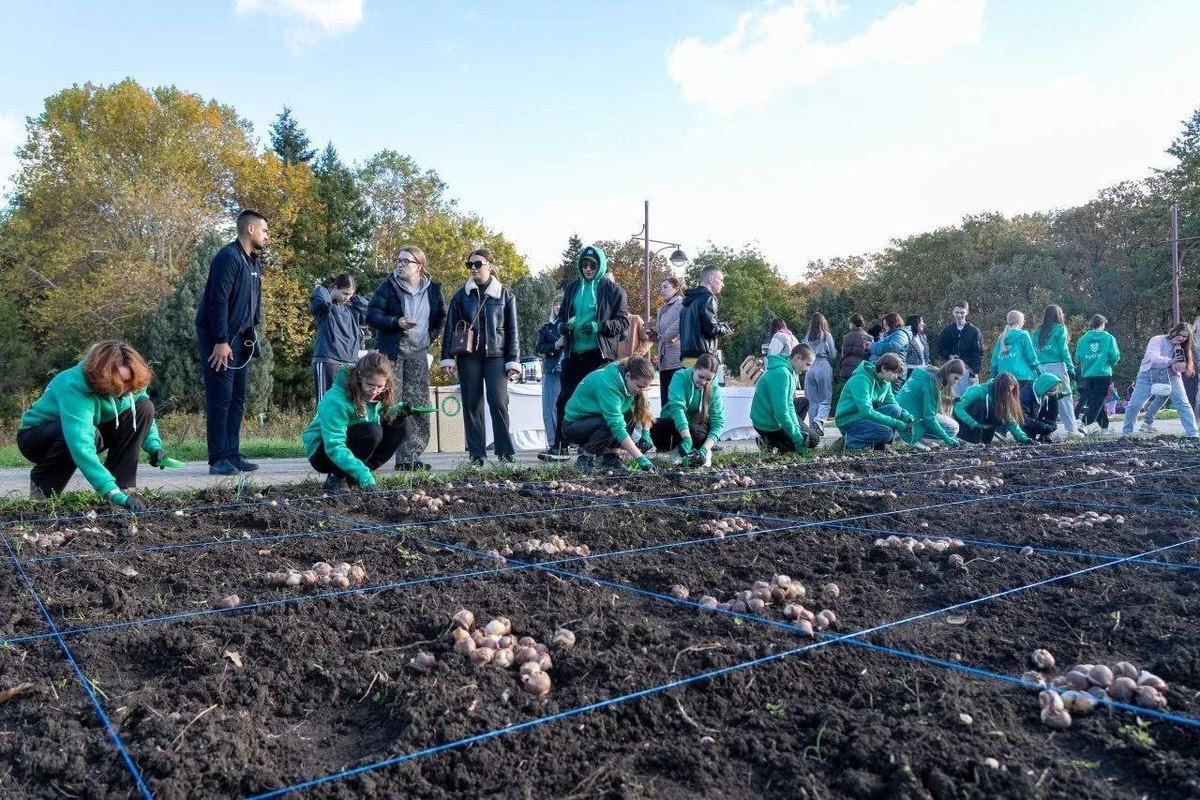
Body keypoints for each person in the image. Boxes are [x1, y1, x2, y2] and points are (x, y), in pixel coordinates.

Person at [17, 341, 184, 510]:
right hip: (37, 437)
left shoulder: (132, 383)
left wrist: (155, 447)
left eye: (130, 382)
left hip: (87, 430)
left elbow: (139, 414)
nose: (127, 389)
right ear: (105, 377)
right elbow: (81, 444)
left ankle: (122, 485)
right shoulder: (75, 387)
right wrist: (109, 491)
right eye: (121, 383)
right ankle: (43, 488)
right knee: (80, 434)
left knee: (144, 406)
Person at [195, 209, 268, 476]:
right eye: (264, 230)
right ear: (250, 230)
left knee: (237, 398)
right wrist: (221, 340)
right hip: (221, 340)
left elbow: (251, 305)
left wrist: (250, 336)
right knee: (220, 398)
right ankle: (218, 458)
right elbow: (219, 301)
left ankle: (233, 453)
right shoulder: (228, 257)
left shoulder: (253, 262)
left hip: (242, 341)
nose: (266, 236)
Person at [543, 245, 629, 461]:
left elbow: (623, 322)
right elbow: (562, 316)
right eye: (584, 265)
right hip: (573, 354)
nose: (588, 269)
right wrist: (564, 326)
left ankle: (603, 450)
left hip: (599, 356)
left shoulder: (613, 290)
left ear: (601, 266)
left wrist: (599, 326)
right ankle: (560, 446)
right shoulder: (572, 288)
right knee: (564, 400)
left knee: (600, 402)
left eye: (593, 265)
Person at [303, 353, 433, 491]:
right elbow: (334, 445)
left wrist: (398, 411)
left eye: (380, 386)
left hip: (351, 441)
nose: (375, 391)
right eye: (370, 385)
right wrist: (363, 475)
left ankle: (355, 476)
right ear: (359, 378)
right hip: (323, 452)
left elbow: (374, 414)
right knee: (371, 432)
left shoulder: (378, 393)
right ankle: (338, 476)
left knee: (400, 424)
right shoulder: (336, 401)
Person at [367, 245, 446, 471]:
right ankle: (376, 455)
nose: (400, 265)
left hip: (418, 355)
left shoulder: (433, 290)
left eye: (405, 262)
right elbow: (372, 315)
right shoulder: (388, 287)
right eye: (398, 261)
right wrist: (396, 322)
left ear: (419, 266)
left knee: (418, 405)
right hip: (391, 354)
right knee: (390, 404)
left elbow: (440, 317)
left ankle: (409, 458)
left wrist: (429, 338)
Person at [440, 249, 521, 466]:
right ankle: (477, 455)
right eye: (470, 265)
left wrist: (513, 360)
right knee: (471, 404)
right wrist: (447, 358)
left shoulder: (505, 295)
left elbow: (512, 331)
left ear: (489, 266)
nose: (473, 268)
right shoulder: (460, 296)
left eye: (478, 264)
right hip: (469, 357)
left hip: (497, 356)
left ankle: (505, 453)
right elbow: (450, 329)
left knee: (498, 402)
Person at [561, 356, 656, 472]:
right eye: (640, 387)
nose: (642, 390)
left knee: (630, 412)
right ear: (628, 376)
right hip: (573, 426)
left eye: (645, 388)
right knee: (610, 422)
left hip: (595, 419)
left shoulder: (632, 382)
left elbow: (644, 410)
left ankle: (611, 458)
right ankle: (585, 459)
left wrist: (645, 432)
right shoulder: (608, 384)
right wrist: (641, 458)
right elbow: (616, 426)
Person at [1120, 323, 1199, 438]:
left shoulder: (1181, 347)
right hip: (1148, 374)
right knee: (1135, 404)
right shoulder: (1157, 340)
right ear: (1173, 331)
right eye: (1180, 334)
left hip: (1171, 376)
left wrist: (1178, 349)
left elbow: (1179, 369)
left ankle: (1193, 434)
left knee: (1183, 403)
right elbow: (1153, 357)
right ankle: (1127, 433)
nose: (1181, 338)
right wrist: (1170, 361)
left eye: (1185, 337)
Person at [649, 353, 724, 466]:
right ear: (694, 368)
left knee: (697, 432)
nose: (703, 382)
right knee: (655, 426)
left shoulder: (714, 387)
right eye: (701, 377)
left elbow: (718, 422)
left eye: (708, 379)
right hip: (675, 424)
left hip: (695, 428)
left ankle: (700, 453)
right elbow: (677, 409)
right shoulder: (680, 377)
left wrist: (703, 450)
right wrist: (687, 438)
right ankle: (676, 450)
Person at [833, 353, 913, 452]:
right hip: (849, 420)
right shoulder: (861, 380)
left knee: (895, 410)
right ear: (883, 368)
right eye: (894, 372)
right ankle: (848, 441)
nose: (896, 377)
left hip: (862, 417)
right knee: (886, 432)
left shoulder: (885, 382)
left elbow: (892, 403)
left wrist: (905, 415)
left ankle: (881, 446)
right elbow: (866, 411)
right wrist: (896, 423)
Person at [311, 273, 368, 403]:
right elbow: (320, 301)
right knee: (325, 404)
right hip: (328, 361)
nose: (347, 297)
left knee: (348, 404)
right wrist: (322, 290)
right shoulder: (325, 308)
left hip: (350, 362)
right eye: (344, 293)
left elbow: (370, 310)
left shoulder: (352, 309)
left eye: (350, 294)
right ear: (335, 287)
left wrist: (355, 298)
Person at [751, 344, 817, 454]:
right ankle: (769, 441)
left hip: (772, 416)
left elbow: (789, 404)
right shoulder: (782, 373)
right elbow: (781, 411)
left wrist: (796, 429)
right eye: (807, 364)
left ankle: (775, 441)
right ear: (798, 358)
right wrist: (797, 437)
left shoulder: (790, 371)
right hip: (766, 424)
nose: (807, 369)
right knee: (813, 440)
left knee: (803, 402)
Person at [895, 359, 965, 449]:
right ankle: (914, 440)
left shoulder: (926, 373)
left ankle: (909, 437)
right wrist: (948, 439)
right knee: (953, 427)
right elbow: (929, 418)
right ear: (948, 372)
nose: (956, 382)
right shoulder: (932, 384)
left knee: (939, 418)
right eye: (955, 378)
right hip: (909, 420)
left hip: (898, 414)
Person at [1034, 304, 1081, 437]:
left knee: (1041, 399)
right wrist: (1071, 367)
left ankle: (1038, 427)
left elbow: (1033, 351)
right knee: (1065, 396)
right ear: (1059, 315)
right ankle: (1072, 429)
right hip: (1057, 366)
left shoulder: (1037, 332)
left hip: (1041, 368)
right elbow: (1063, 350)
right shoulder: (1060, 329)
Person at [954, 372, 1032, 445]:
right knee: (979, 404)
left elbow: (1011, 422)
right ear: (1001, 387)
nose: (1009, 394)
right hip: (967, 427)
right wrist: (973, 423)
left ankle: (982, 441)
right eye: (1008, 390)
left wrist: (1024, 439)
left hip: (987, 430)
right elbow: (958, 407)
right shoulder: (978, 390)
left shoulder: (1004, 398)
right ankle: (970, 439)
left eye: (1011, 391)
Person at [1074, 314, 1120, 433]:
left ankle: (1105, 427)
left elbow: (1077, 357)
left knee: (1095, 400)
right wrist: (1110, 363)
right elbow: (1114, 356)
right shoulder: (1108, 338)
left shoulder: (1083, 339)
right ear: (1103, 324)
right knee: (1098, 400)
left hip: (1088, 373)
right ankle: (1084, 422)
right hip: (1103, 372)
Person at [679, 266, 732, 366]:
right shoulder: (708, 297)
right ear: (711, 279)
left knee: (690, 381)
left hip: (687, 356)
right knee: (706, 382)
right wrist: (725, 328)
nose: (723, 284)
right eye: (721, 280)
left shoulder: (687, 300)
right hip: (702, 357)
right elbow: (711, 329)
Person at [536, 295, 566, 455]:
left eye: (561, 305)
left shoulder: (572, 325)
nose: (558, 307)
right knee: (550, 408)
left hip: (570, 371)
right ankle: (553, 442)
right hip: (552, 371)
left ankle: (571, 441)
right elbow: (539, 347)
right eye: (556, 305)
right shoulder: (546, 328)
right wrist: (555, 345)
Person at [936, 302, 983, 396]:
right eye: (957, 312)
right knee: (952, 399)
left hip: (969, 372)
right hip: (952, 372)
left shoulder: (974, 331)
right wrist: (949, 355)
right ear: (953, 312)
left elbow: (978, 353)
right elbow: (941, 349)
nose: (959, 315)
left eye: (962, 313)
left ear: (967, 312)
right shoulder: (947, 331)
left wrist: (974, 372)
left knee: (970, 401)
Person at [802, 313, 837, 436]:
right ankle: (819, 420)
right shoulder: (826, 336)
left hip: (809, 367)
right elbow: (833, 354)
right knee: (825, 399)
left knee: (812, 401)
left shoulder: (807, 337)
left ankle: (813, 433)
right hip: (823, 364)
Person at [989, 310, 1041, 390]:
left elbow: (995, 360)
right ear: (1019, 321)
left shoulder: (1001, 337)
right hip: (1023, 377)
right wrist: (1040, 372)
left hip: (1003, 378)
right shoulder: (1023, 335)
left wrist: (992, 376)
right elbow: (1031, 356)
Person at [650, 276, 683, 400]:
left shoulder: (682, 305)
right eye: (661, 287)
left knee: (675, 399)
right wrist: (652, 334)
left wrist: (668, 336)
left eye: (665, 287)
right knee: (665, 400)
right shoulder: (661, 309)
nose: (662, 290)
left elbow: (681, 326)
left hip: (677, 361)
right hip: (663, 361)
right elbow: (661, 336)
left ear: (676, 288)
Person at [1019, 373, 1065, 443]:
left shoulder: (1043, 393)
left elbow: (1053, 413)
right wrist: (1041, 426)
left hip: (1034, 419)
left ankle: (1044, 437)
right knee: (1031, 439)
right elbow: (1023, 418)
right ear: (1044, 387)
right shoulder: (1026, 395)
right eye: (1051, 391)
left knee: (1052, 425)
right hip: (1025, 423)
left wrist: (1054, 398)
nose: (1051, 394)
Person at [839, 314, 873, 380]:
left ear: (852, 324)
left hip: (847, 369)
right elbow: (870, 355)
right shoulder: (869, 338)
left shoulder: (846, 337)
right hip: (861, 368)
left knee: (848, 389)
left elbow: (843, 354)